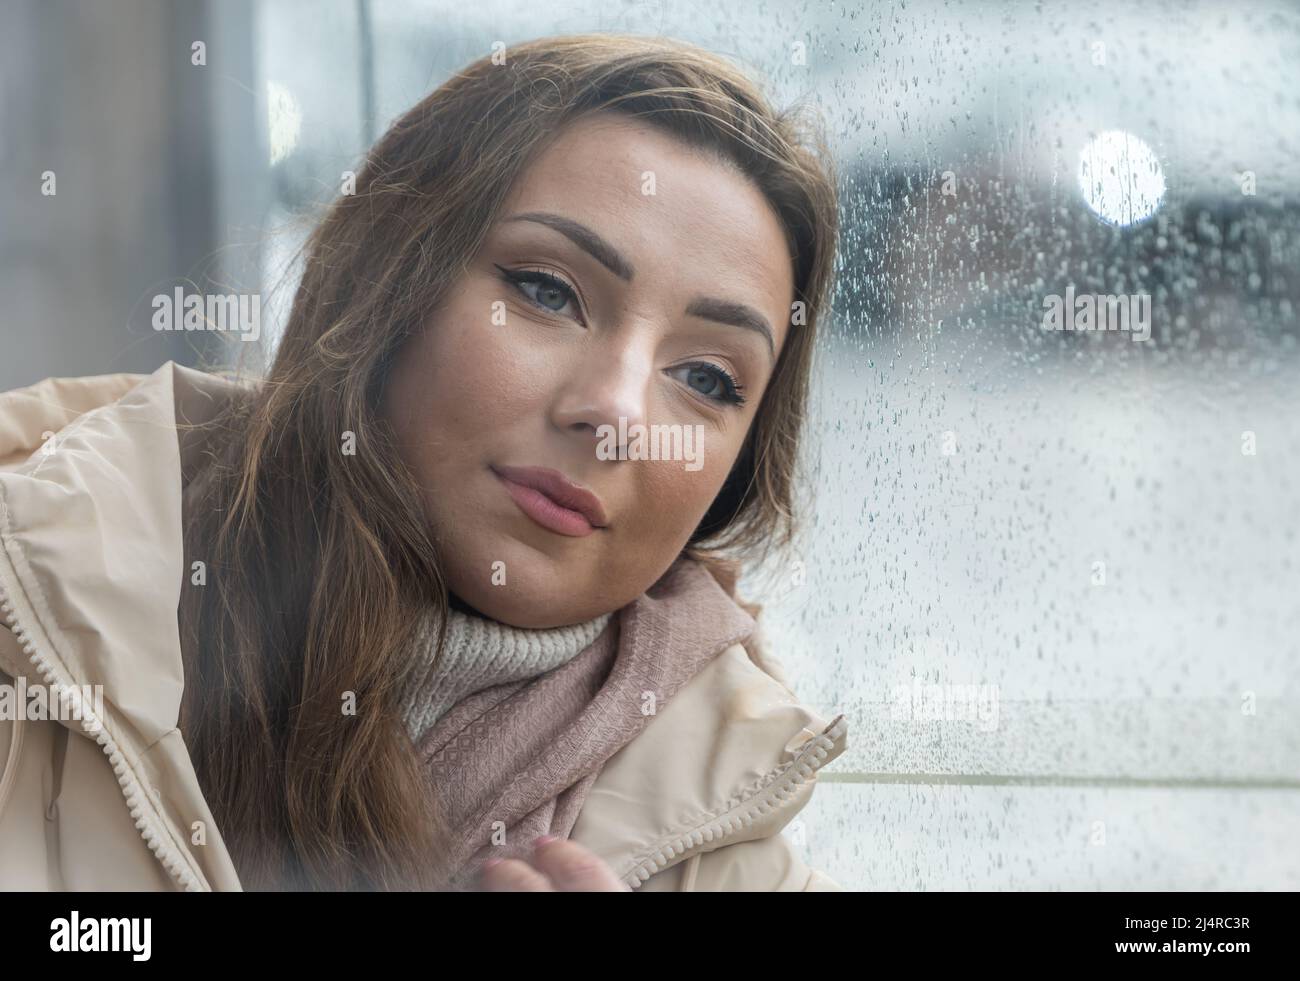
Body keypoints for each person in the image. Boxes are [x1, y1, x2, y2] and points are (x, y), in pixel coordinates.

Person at [0, 32, 845, 892]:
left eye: (706, 377)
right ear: (386, 282)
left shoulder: (736, 853)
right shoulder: (27, 615)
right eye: (547, 291)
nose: (619, 416)